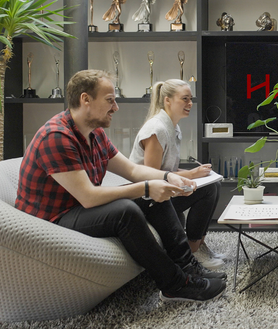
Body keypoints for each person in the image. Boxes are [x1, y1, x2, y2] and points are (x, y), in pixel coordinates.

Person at [15, 69, 226, 302]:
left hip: (79, 208)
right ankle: (175, 284)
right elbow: (88, 197)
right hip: (53, 219)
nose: (116, 107)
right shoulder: (57, 137)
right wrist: (147, 187)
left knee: (149, 196)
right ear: (85, 100)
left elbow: (132, 170)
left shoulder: (94, 133)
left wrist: (166, 178)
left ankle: (187, 266)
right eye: (110, 101)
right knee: (125, 211)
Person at [129, 79, 225, 270]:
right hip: (146, 199)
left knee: (213, 185)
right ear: (167, 100)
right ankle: (193, 250)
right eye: (185, 99)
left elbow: (169, 169)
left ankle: (199, 245)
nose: (190, 103)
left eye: (191, 99)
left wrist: (196, 174)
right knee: (208, 190)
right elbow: (153, 176)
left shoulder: (173, 127)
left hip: (159, 190)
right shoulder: (156, 129)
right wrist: (191, 174)